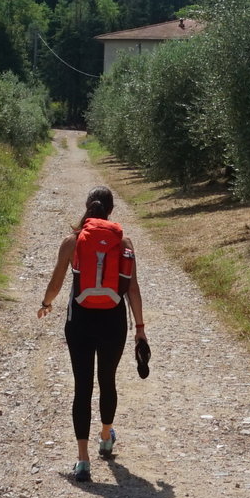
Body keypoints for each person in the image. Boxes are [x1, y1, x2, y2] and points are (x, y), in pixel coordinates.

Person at [37, 186, 147, 481]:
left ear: (88, 207)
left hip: (80, 322)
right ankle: (107, 436)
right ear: (111, 211)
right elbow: (132, 289)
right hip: (113, 322)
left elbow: (57, 280)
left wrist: (46, 304)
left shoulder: (73, 242)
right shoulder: (124, 242)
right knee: (107, 381)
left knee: (82, 386)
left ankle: (83, 460)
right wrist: (140, 329)